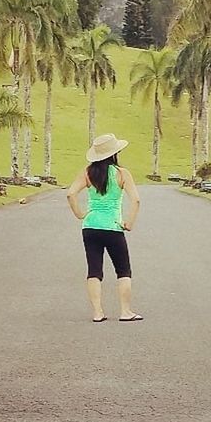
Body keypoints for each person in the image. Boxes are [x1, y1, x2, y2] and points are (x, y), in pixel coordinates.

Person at [66, 132, 142, 323]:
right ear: (114, 153)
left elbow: (71, 194)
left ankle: (98, 312)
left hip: (90, 226)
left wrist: (80, 214)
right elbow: (136, 199)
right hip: (113, 227)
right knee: (123, 270)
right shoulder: (122, 173)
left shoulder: (88, 172)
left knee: (94, 270)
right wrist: (129, 222)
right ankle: (125, 312)